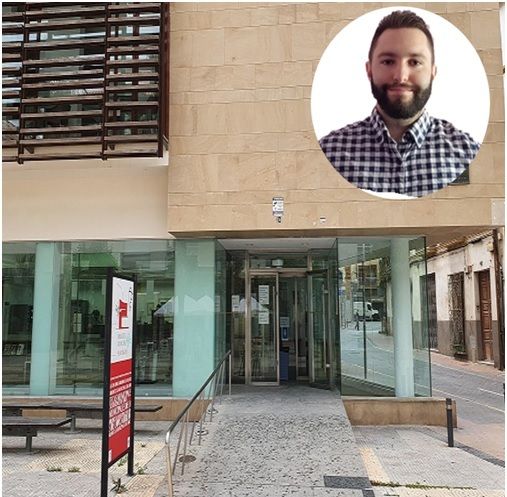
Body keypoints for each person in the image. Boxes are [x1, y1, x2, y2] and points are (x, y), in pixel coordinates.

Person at [319, 10, 480, 197]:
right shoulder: (329, 152)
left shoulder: (468, 153)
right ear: (369, 70)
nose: (401, 76)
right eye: (388, 61)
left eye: (415, 62)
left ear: (433, 72)